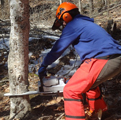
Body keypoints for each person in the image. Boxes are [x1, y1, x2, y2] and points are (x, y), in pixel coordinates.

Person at [38, 2, 121, 120]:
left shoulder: (73, 25)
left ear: (66, 16)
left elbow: (57, 49)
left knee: (71, 90)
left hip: (104, 59)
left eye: (63, 22)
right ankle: (99, 113)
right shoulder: (85, 24)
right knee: (88, 86)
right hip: (115, 59)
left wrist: (44, 64)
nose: (63, 25)